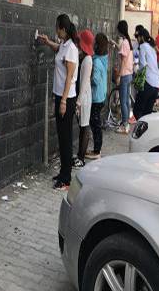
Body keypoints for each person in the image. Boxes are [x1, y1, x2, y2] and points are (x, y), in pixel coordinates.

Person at [38, 14, 79, 190]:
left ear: (63, 29)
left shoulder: (71, 49)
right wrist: (48, 42)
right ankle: (63, 172)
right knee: (62, 137)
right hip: (60, 96)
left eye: (57, 28)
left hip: (66, 99)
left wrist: (63, 101)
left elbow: (69, 76)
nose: (56, 31)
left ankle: (66, 178)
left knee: (65, 138)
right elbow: (58, 50)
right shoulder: (64, 45)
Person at [86, 34, 109, 160]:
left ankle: (96, 151)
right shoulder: (104, 58)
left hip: (96, 97)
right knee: (96, 123)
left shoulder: (96, 61)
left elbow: (95, 80)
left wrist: (87, 77)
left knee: (95, 124)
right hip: (101, 95)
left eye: (94, 42)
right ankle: (97, 149)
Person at [74, 30, 94, 168]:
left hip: (84, 98)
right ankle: (80, 156)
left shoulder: (87, 60)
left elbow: (85, 82)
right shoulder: (85, 58)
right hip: (83, 97)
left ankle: (81, 158)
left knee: (84, 127)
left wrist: (79, 102)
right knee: (83, 127)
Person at [133, 27, 159, 119]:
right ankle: (146, 128)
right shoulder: (152, 47)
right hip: (156, 85)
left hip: (148, 83)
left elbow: (143, 65)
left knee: (137, 111)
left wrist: (137, 71)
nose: (137, 39)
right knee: (147, 114)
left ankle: (140, 127)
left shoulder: (143, 46)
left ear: (141, 37)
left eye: (138, 37)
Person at [115, 20, 134, 134]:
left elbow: (122, 61)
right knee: (126, 101)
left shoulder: (124, 42)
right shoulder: (128, 42)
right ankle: (126, 124)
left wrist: (118, 76)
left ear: (120, 30)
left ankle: (125, 125)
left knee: (123, 101)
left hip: (124, 75)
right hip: (129, 74)